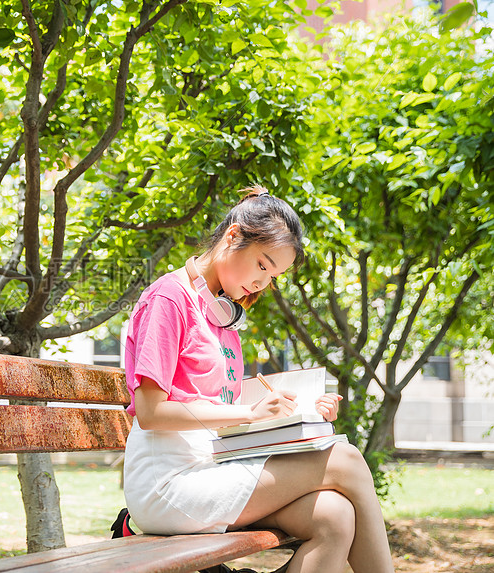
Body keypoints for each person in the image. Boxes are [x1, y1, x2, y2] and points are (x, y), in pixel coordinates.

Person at [115, 187, 394, 573]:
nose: (263, 283)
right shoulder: (169, 299)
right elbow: (150, 411)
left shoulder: (222, 315)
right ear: (233, 236)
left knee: (334, 515)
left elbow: (226, 409)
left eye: (273, 275)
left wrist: (300, 411)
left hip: (214, 468)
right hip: (170, 482)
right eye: (263, 265)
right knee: (344, 458)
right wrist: (250, 411)